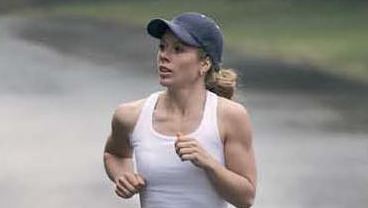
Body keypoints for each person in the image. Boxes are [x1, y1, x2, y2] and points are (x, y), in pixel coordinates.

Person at [102, 12, 257, 208]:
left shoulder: (230, 116)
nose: (164, 56)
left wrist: (208, 163)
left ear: (204, 64)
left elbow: (245, 199)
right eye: (162, 47)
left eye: (178, 49)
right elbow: (114, 154)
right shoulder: (130, 115)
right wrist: (122, 176)